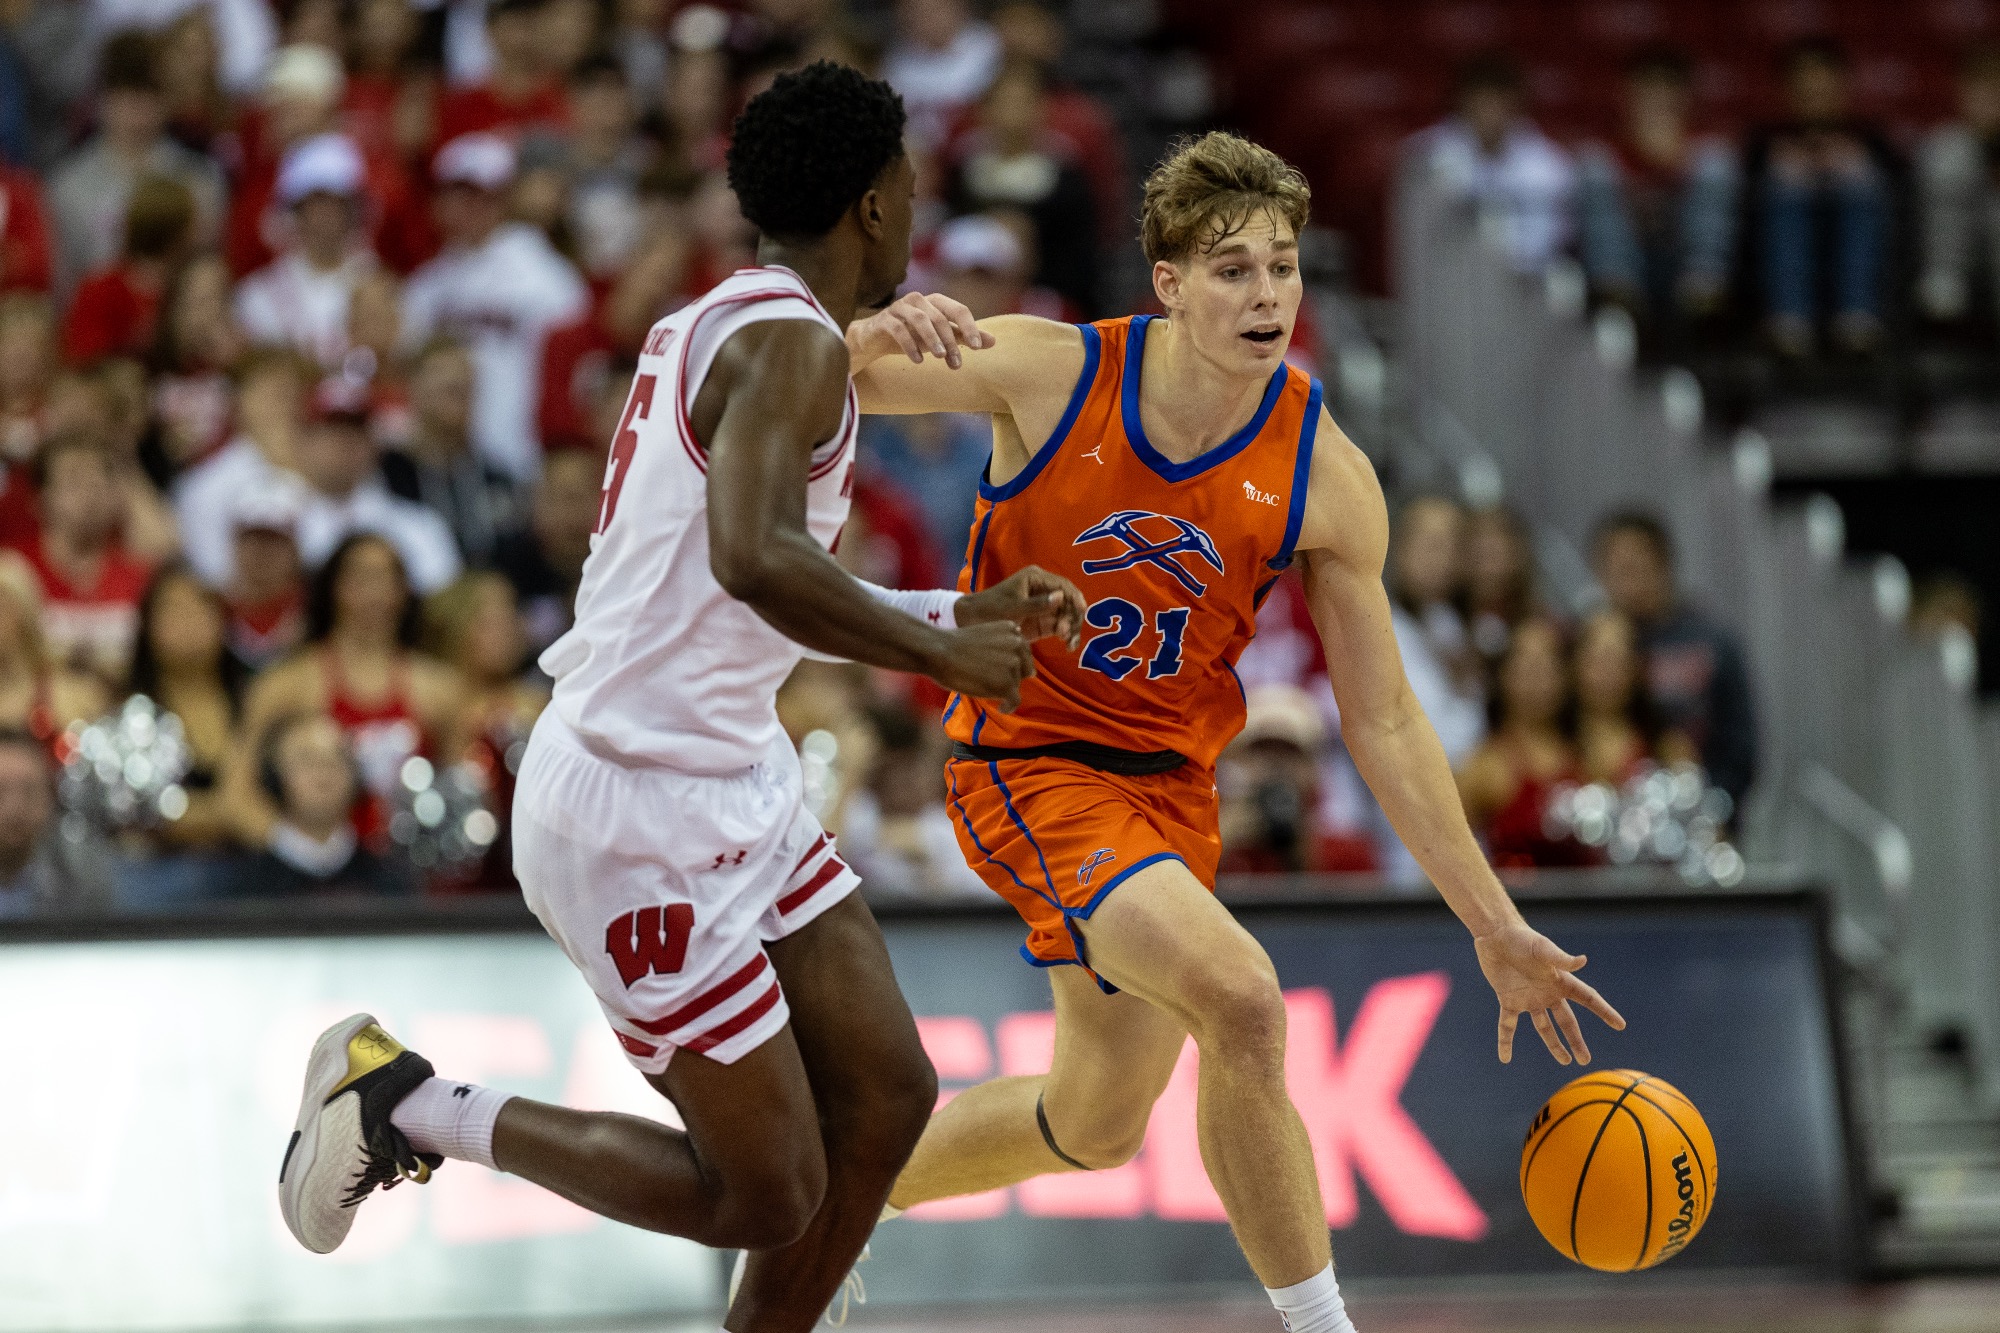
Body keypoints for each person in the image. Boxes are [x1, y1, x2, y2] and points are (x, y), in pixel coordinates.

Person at [275, 64, 1077, 1333]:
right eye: (910, 186)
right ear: (872, 205)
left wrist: (952, 615)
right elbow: (755, 558)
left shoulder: (724, 320)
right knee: (766, 1191)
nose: (919, 206)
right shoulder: (788, 345)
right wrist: (941, 657)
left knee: (886, 1097)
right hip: (633, 808)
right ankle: (405, 1104)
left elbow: (736, 592)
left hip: (727, 766)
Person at [847, 130, 1623, 1333]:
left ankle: (831, 1206)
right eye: (1230, 270)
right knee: (1245, 1000)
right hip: (1025, 763)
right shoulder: (1048, 370)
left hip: (1170, 792)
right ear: (1166, 283)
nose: (1265, 295)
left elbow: (1382, 717)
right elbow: (820, 384)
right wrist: (865, 329)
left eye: (1281, 267)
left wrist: (1494, 921)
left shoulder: (1325, 470)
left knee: (1093, 1123)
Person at [228, 531, 462, 852]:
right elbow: (236, 793)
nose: (374, 592)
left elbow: (461, 794)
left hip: (409, 884)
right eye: (361, 577)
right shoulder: (286, 685)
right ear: (333, 588)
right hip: (314, 887)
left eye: (386, 578)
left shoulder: (440, 689)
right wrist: (299, 850)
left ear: (403, 591)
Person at [401, 132, 588, 483]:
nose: (467, 208)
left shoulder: (546, 274)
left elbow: (572, 372)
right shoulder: (425, 287)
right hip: (441, 463)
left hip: (518, 455)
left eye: (480, 196)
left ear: (504, 199)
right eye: (456, 195)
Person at [1743, 38, 1899, 357]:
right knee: (1786, 183)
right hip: (1781, 240)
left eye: (1824, 82)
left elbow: (1899, 188)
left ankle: (1857, 318)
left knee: (1860, 182)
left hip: (1855, 239)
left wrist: (1848, 165)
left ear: (1843, 86)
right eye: (1805, 84)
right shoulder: (1765, 138)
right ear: (1789, 89)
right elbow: (1743, 198)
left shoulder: (1869, 136)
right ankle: (1790, 321)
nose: (1815, 92)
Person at [1591, 510, 1757, 808]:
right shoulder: (1592, 644)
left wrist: (1716, 811)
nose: (1627, 583)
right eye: (1617, 571)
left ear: (1663, 565)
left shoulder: (1712, 641)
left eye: (1635, 567)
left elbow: (1740, 743)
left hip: (1701, 807)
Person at [1575, 48, 1737, 344]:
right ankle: (1616, 293)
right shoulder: (1607, 148)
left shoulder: (1704, 148)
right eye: (1647, 89)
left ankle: (1703, 287)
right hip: (1629, 260)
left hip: (1684, 262)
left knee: (1717, 165)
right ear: (1628, 96)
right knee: (1593, 168)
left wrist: (1672, 162)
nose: (1658, 100)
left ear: (1685, 97)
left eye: (1667, 89)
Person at [47, 30, 224, 299]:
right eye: (126, 96)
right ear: (103, 100)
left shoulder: (200, 179)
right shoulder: (67, 187)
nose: (138, 111)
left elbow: (210, 270)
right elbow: (64, 286)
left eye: (148, 96)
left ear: (166, 101)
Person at [291, 374, 463, 595]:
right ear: (301, 443)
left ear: (374, 444)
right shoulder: (273, 522)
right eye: (329, 432)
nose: (343, 443)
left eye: (355, 432)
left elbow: (444, 609)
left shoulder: (419, 528)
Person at [1411, 52, 1574, 275]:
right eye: (1482, 100)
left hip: (1528, 277)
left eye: (1499, 100)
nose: (1491, 111)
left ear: (1516, 103)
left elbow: (1553, 235)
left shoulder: (1547, 162)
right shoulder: (1427, 156)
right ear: (1464, 101)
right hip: (1454, 277)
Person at [124, 561, 248, 853]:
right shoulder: (131, 713)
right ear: (147, 626)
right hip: (160, 875)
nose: (189, 621)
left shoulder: (256, 700)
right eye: (173, 609)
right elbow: (145, 814)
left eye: (200, 607)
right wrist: (238, 812)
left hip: (252, 867)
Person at [1454, 615, 1593, 868]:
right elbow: (1445, 855)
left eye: (1546, 668)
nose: (1536, 681)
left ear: (1565, 677)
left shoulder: (1591, 757)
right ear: (1504, 676)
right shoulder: (1484, 767)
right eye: (1526, 668)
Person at [227, 710, 415, 897]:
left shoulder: (390, 883)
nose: (324, 772)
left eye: (338, 759)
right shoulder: (243, 888)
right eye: (306, 760)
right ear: (274, 778)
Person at [12, 432, 153, 680]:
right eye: (73, 481)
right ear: (40, 499)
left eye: (100, 481)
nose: (89, 493)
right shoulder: (13, 574)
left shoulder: (143, 577)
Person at [234, 133, 379, 370]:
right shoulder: (258, 296)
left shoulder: (379, 286)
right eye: (315, 202)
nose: (326, 213)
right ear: (295, 211)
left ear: (353, 209)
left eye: (336, 202)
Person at [380, 337, 523, 566]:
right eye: (449, 389)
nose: (460, 399)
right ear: (414, 389)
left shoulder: (498, 480)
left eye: (466, 389)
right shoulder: (386, 475)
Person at [839, 701, 989, 901]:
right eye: (889, 772)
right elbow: (821, 867)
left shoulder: (944, 822)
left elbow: (989, 889)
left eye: (911, 769)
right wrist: (850, 776)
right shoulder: (860, 813)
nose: (901, 782)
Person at [61, 175, 198, 366]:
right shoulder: (102, 290)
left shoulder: (194, 287)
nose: (198, 233)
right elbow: (85, 360)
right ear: (175, 231)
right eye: (192, 225)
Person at [1916, 44, 2000, 328]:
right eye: (1980, 92)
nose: (1990, 102)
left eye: (1996, 92)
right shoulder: (1943, 145)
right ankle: (1945, 279)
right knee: (1949, 158)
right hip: (1952, 256)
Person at [1573, 607, 1695, 786]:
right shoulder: (1551, 748)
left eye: (1617, 661)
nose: (1607, 673)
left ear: (1636, 669)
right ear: (1575, 665)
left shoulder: (1668, 748)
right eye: (1598, 660)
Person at [0, 728, 115, 917]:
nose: (15, 809)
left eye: (30, 793)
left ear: (51, 799)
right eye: (1, 792)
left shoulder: (82, 879)